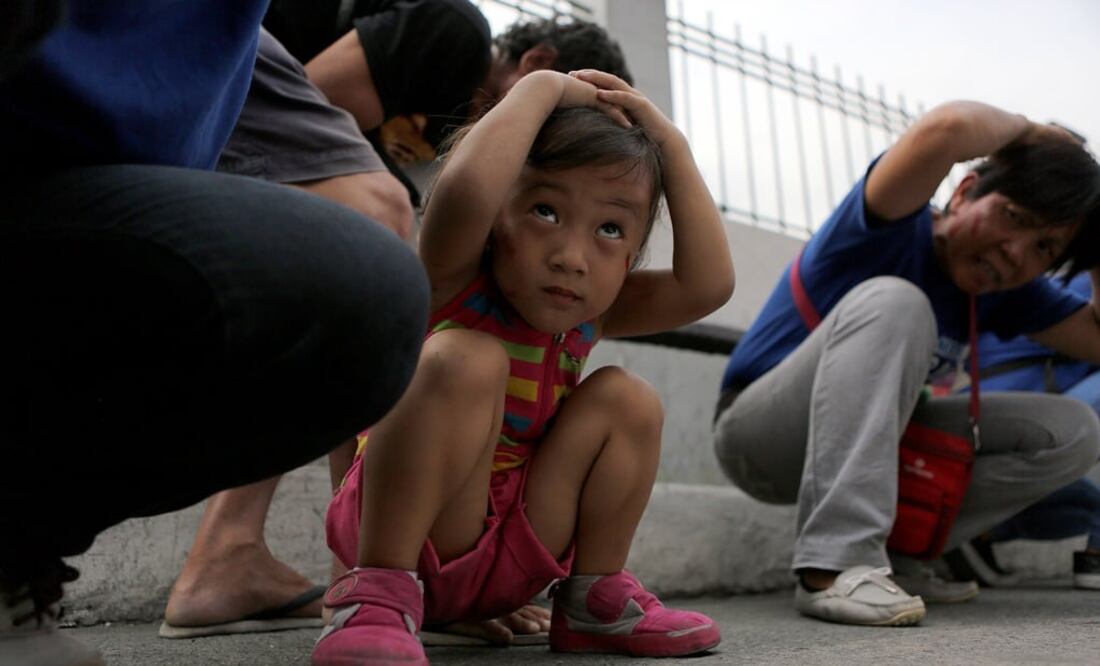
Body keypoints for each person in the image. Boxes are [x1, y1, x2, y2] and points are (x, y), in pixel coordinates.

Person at [163, 4, 634, 642]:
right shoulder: (451, 33)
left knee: (382, 271)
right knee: (371, 242)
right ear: (539, 67)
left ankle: (357, 571)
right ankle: (321, 569)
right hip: (187, 104)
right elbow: (295, 103)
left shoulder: (450, 152)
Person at [0, 2, 429, 665]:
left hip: (93, 192)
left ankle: (20, 551)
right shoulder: (449, 30)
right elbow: (330, 85)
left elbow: (368, 204)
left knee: (368, 258)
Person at [312, 68, 734, 664]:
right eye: (544, 211)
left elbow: (708, 285)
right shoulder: (453, 278)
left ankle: (594, 598)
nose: (571, 258)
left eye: (610, 229)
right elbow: (461, 196)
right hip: (414, 531)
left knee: (627, 398)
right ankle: (376, 594)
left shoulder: (593, 312)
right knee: (466, 355)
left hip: (512, 553)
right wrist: (541, 87)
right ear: (496, 218)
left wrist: (671, 144)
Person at [713, 100, 1100, 627]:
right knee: (899, 301)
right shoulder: (890, 223)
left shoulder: (1008, 292)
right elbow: (947, 129)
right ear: (963, 193)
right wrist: (1036, 134)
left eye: (1044, 247)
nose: (1017, 253)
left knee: (1073, 430)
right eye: (1014, 217)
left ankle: (900, 554)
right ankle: (836, 564)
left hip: (873, 447)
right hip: (760, 436)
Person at [942, 272, 1100, 590]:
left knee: (1091, 507)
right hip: (982, 434)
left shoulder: (1042, 277)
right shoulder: (1073, 290)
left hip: (971, 429)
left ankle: (976, 534)